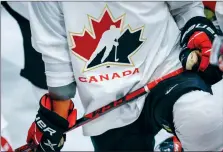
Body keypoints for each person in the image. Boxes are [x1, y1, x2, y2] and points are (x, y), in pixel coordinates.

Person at [26, 2, 223, 151]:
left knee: (202, 118)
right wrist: (54, 115)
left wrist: (197, 28)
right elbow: (55, 50)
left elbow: (185, 6)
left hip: (165, 66)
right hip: (105, 98)